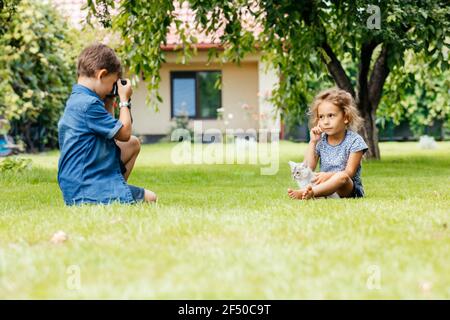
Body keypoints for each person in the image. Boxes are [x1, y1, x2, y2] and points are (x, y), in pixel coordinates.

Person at [57, 43, 157, 205]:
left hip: (80, 180)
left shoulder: (79, 99)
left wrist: (110, 100)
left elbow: (112, 132)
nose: (112, 88)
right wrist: (125, 100)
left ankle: (116, 192)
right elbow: (123, 133)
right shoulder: (88, 104)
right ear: (101, 75)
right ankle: (112, 198)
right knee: (151, 198)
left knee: (133, 144)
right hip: (87, 186)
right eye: (112, 83)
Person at [288, 88, 368, 200]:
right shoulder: (321, 140)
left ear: (346, 117)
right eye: (321, 117)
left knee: (342, 176)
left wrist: (329, 175)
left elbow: (349, 172)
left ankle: (311, 193)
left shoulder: (355, 141)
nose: (325, 122)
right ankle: (317, 192)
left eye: (331, 115)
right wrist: (313, 142)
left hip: (348, 189)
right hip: (324, 184)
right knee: (312, 175)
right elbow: (309, 167)